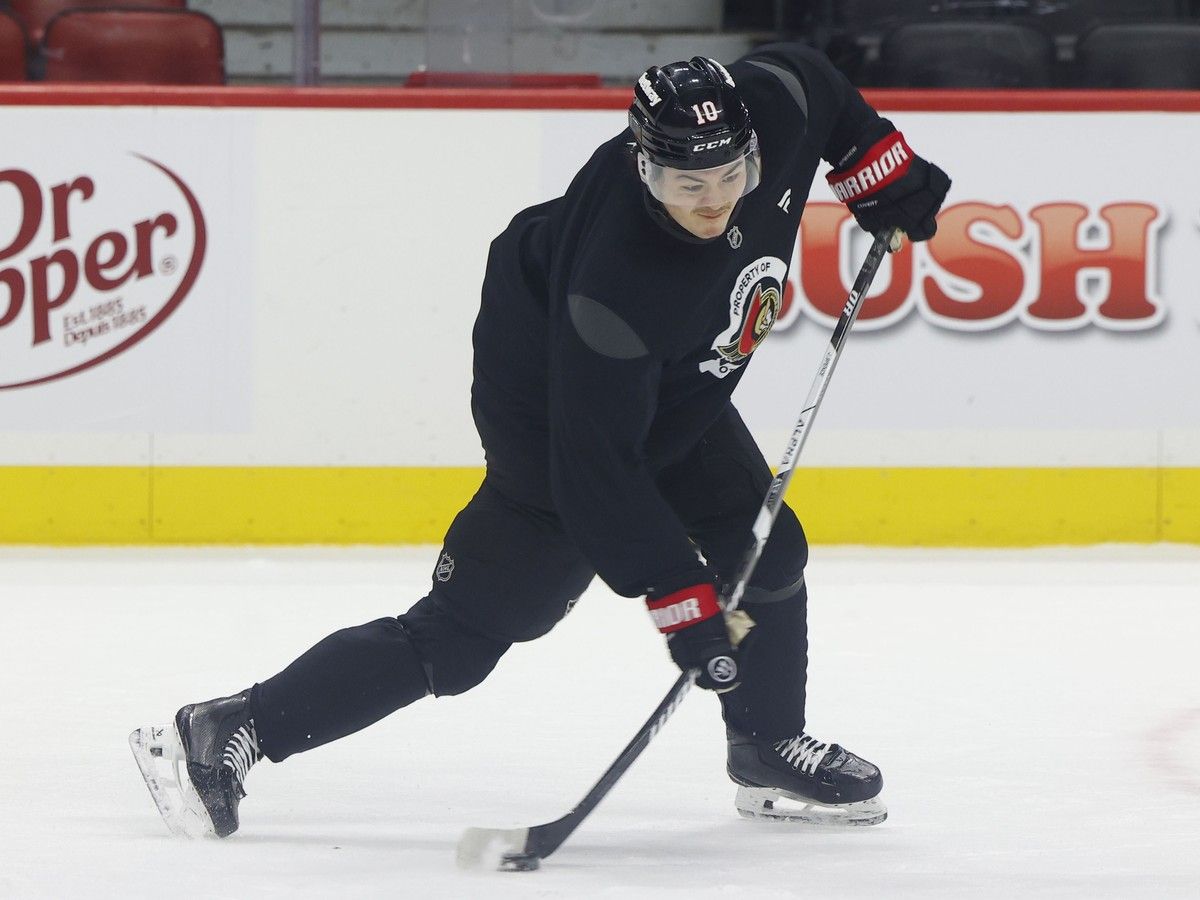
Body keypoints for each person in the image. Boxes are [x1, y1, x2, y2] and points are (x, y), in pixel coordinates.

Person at [130, 43, 950, 839]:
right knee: (464, 638)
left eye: (730, 176)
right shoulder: (616, 282)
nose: (712, 201)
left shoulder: (770, 111)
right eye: (683, 182)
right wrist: (679, 597)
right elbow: (598, 464)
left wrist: (878, 164)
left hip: (678, 387)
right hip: (555, 416)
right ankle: (233, 724)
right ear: (642, 165)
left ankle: (766, 745)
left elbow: (809, 74)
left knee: (768, 552)